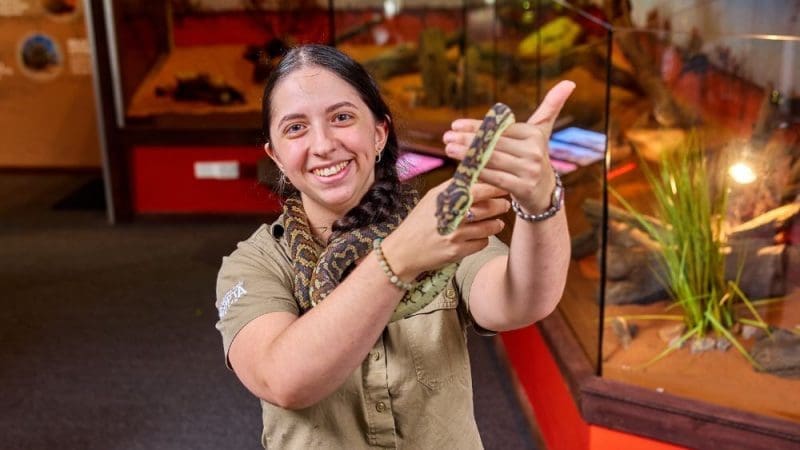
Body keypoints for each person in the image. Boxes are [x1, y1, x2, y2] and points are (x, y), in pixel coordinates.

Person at [215, 44, 574, 449]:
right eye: (295, 128)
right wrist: (398, 258)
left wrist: (540, 197)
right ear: (275, 155)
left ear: (379, 132)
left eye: (342, 117)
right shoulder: (253, 264)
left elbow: (521, 301)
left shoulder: (437, 226)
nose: (323, 144)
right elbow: (282, 380)